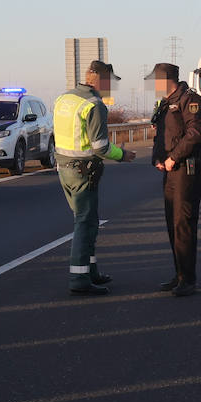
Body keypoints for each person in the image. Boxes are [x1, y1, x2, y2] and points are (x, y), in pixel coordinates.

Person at [53, 60, 135, 295]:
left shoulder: (64, 99)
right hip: (83, 171)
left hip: (64, 169)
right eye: (110, 81)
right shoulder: (94, 104)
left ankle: (91, 272)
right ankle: (79, 279)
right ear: (98, 79)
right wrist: (123, 155)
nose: (111, 87)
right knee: (86, 223)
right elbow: (100, 147)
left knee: (84, 221)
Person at [148, 63, 201, 297]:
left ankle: (188, 278)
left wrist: (173, 158)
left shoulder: (190, 101)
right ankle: (179, 274)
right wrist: (158, 158)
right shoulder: (165, 104)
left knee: (183, 224)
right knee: (172, 224)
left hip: (187, 169)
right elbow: (161, 135)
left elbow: (195, 134)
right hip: (170, 170)